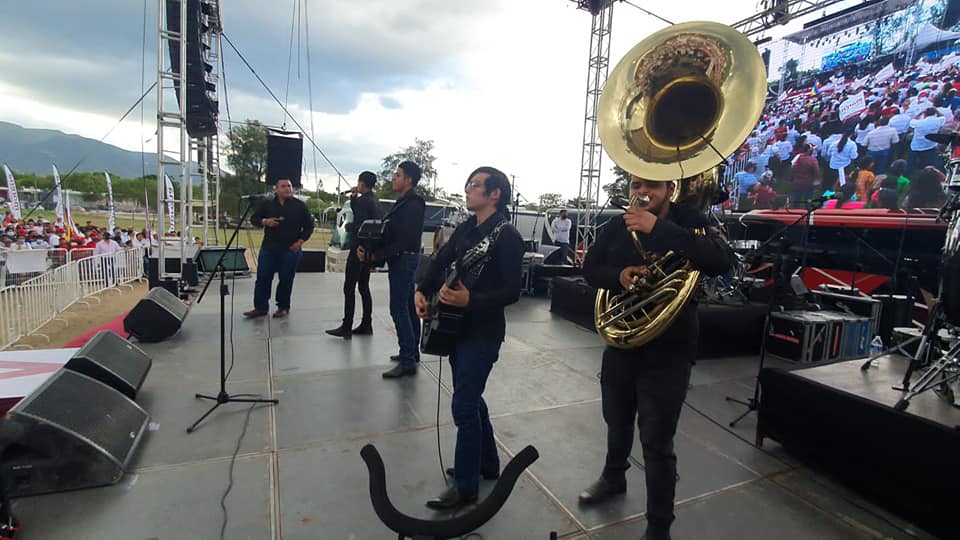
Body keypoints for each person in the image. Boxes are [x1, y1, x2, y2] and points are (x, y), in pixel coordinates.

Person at [577, 175, 734, 540]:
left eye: (652, 186)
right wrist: (620, 275)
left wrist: (658, 229)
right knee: (616, 419)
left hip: (671, 347)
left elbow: (720, 260)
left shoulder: (691, 219)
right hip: (623, 340)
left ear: (670, 190)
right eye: (635, 186)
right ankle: (613, 477)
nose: (642, 192)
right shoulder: (619, 224)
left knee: (656, 439)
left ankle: (658, 526)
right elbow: (590, 269)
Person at [416, 166, 523, 510]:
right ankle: (487, 463)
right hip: (455, 328)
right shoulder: (466, 228)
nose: (467, 189)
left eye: (475, 185)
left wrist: (471, 300)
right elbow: (440, 259)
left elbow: (513, 291)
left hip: (483, 333)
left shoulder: (507, 236)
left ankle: (465, 486)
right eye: (469, 184)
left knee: (463, 405)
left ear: (495, 194)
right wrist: (422, 290)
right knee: (472, 398)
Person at [358, 161, 426, 378]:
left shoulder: (413, 204)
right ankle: (411, 352)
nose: (393, 178)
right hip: (402, 259)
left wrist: (376, 256)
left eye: (397, 175)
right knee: (407, 306)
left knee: (398, 309)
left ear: (408, 180)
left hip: (403, 260)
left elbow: (405, 239)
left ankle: (407, 360)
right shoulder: (404, 203)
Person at [243, 178, 314, 319]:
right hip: (269, 248)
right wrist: (265, 221)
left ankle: (283, 307)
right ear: (276, 189)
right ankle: (260, 307)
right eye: (283, 186)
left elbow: (309, 226)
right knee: (263, 277)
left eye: (289, 186)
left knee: (286, 278)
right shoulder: (268, 204)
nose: (287, 188)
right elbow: (254, 218)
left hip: (291, 248)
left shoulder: (299, 205)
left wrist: (300, 242)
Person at [327, 171, 382, 339]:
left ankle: (347, 325)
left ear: (362, 184)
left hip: (359, 249)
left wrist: (351, 228)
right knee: (364, 287)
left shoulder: (363, 201)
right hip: (369, 250)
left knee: (349, 287)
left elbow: (360, 222)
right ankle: (366, 323)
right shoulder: (374, 201)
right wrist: (353, 198)